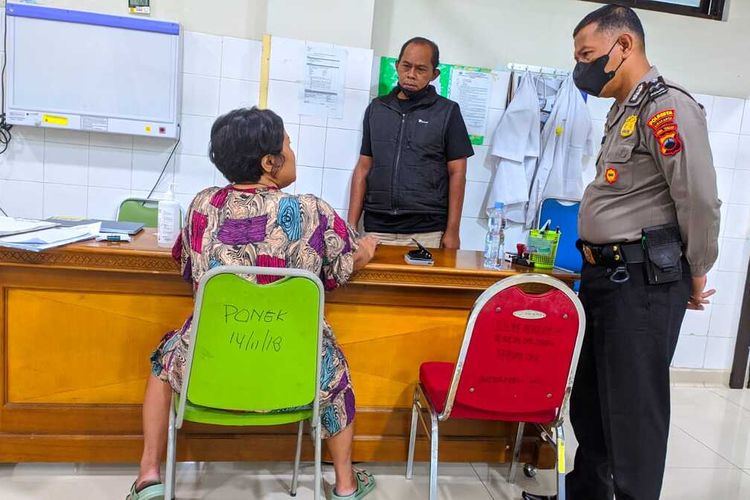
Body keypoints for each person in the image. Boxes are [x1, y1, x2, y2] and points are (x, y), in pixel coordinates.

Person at [127, 107, 379, 500]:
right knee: (335, 368)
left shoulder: (202, 206)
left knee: (163, 361)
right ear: (269, 163)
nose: (293, 152)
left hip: (212, 360)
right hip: (294, 362)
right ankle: (346, 485)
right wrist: (363, 255)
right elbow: (336, 272)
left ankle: (148, 477)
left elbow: (186, 265)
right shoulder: (312, 212)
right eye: (288, 145)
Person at [523, 6, 720, 500]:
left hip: (642, 281)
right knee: (591, 404)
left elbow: (696, 198)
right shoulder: (624, 108)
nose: (581, 68)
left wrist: (697, 271)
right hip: (605, 278)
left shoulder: (666, 107)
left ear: (624, 46)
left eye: (588, 55)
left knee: (633, 412)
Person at [347, 37, 474, 249]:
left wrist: (453, 231)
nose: (411, 74)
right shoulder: (377, 109)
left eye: (421, 69)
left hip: (427, 231)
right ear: (397, 66)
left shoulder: (447, 112)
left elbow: (457, 173)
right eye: (406, 66)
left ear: (434, 74)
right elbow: (363, 168)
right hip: (377, 228)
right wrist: (350, 227)